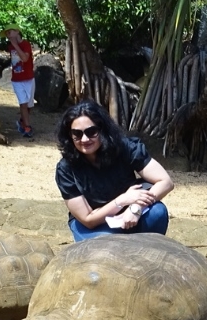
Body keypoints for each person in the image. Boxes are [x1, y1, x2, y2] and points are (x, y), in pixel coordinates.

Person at [55, 100, 174, 240]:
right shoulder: (65, 169)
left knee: (157, 213)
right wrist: (122, 200)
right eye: (77, 134)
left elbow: (165, 182)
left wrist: (135, 208)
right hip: (95, 224)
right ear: (70, 136)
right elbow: (88, 220)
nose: (85, 139)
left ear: (102, 130)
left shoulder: (125, 147)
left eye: (91, 132)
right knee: (106, 245)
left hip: (129, 214)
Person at [0, 25, 35, 138]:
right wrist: (14, 45)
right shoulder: (10, 47)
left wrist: (15, 45)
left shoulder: (26, 44)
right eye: (7, 33)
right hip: (17, 80)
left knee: (29, 105)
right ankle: (27, 127)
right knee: (23, 103)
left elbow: (25, 58)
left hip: (29, 79)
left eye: (9, 32)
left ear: (17, 32)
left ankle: (22, 121)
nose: (8, 35)